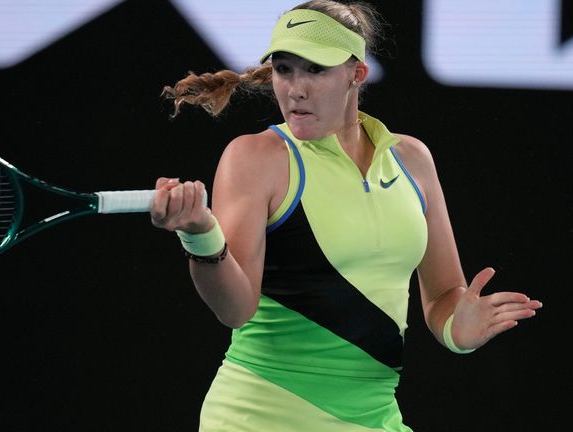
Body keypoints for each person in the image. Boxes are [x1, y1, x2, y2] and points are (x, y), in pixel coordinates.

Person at [149, 1, 543, 431]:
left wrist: (455, 330)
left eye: (314, 70)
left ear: (357, 74)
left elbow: (446, 290)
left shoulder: (411, 160)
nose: (295, 89)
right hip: (259, 416)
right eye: (283, 69)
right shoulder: (255, 156)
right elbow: (234, 308)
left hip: (374, 418)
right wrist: (201, 234)